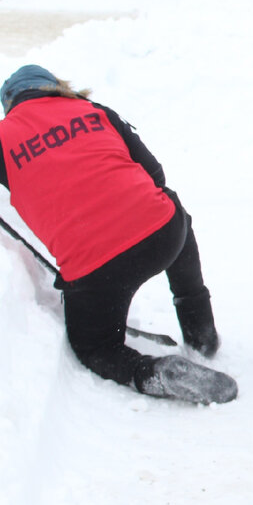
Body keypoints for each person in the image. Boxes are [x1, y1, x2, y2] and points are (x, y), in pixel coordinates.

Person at [0, 65, 236, 405]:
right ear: (56, 88)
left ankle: (154, 372)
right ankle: (201, 331)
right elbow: (155, 173)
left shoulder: (4, 137)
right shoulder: (94, 111)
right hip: (161, 236)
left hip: (96, 268)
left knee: (96, 347)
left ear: (10, 104)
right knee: (173, 211)